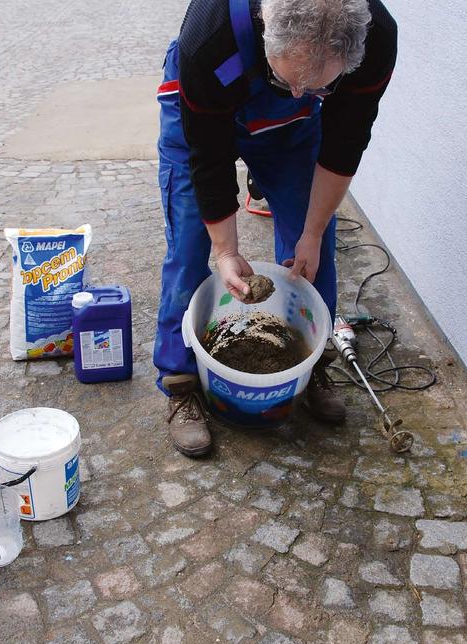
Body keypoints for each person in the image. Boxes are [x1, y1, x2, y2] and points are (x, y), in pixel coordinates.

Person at [154, 0, 397, 457]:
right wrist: (225, 251)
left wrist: (311, 230)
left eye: (320, 86)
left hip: (292, 131)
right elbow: (207, 157)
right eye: (289, 81)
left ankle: (308, 362)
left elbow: (344, 145)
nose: (301, 91)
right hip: (207, 103)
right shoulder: (212, 36)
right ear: (266, 29)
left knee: (312, 247)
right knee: (190, 246)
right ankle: (181, 380)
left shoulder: (376, 38)